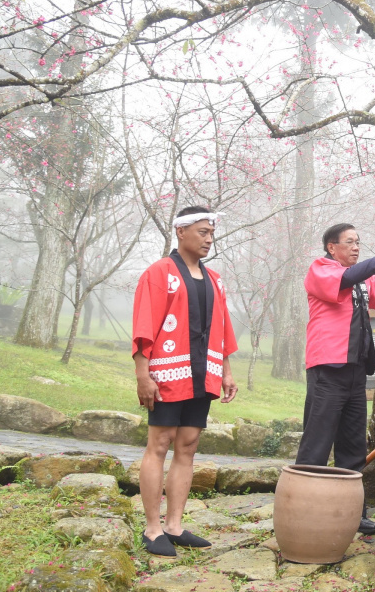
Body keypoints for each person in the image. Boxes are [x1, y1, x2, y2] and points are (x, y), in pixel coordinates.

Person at [295, 223, 375, 535]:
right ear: (331, 246)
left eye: (358, 242)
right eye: (349, 242)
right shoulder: (321, 270)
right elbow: (347, 278)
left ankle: (353, 513)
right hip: (327, 371)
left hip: (354, 374)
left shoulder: (363, 281)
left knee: (353, 449)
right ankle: (302, 512)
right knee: (317, 445)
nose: (355, 247)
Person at [132, 206, 239, 557]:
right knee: (159, 443)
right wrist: (142, 374)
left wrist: (225, 370)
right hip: (167, 373)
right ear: (181, 232)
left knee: (188, 446)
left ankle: (175, 525)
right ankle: (152, 528)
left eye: (211, 233)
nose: (209, 239)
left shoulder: (215, 280)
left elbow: (222, 326)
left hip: (202, 372)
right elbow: (145, 324)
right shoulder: (159, 273)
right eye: (203, 232)